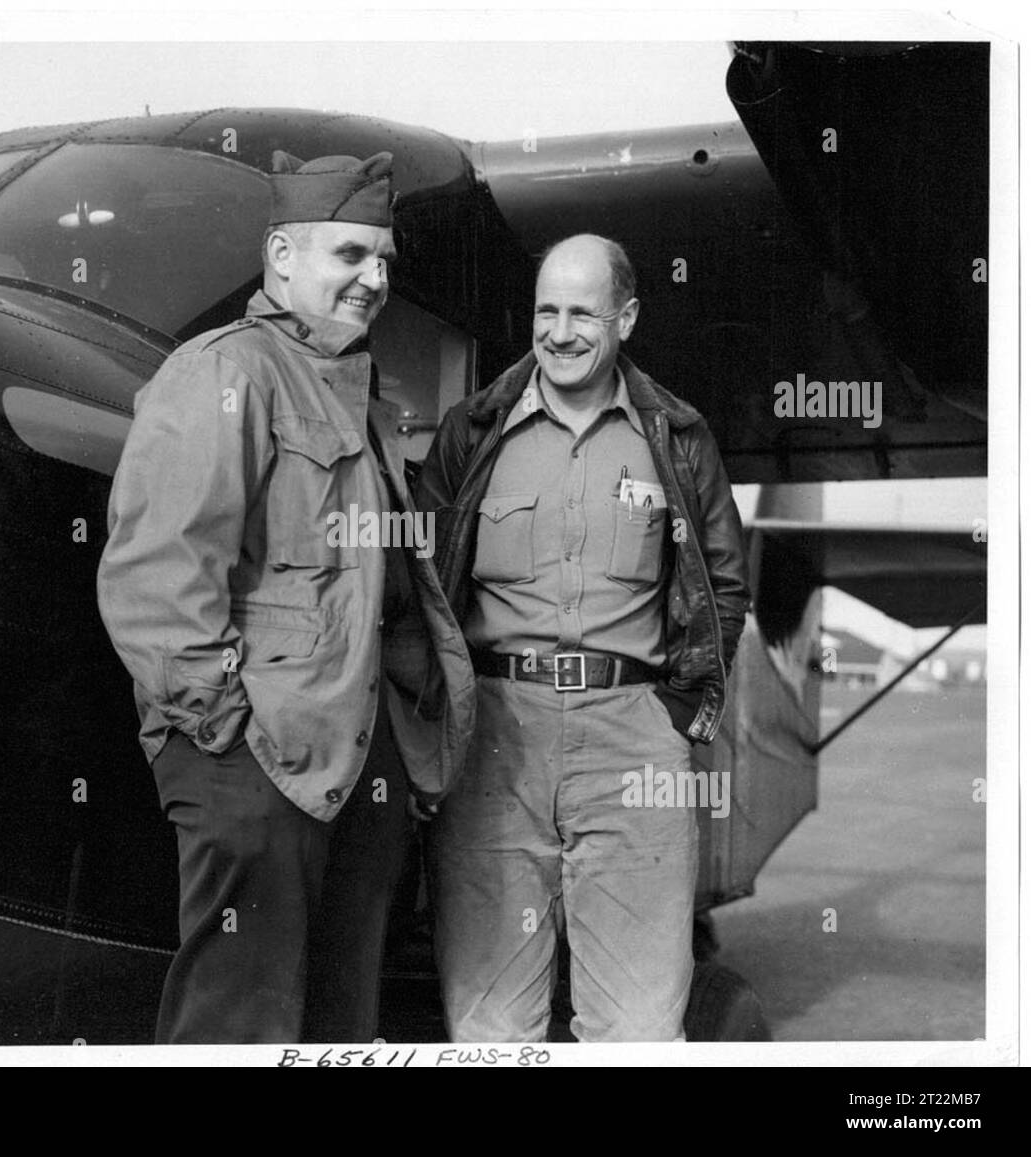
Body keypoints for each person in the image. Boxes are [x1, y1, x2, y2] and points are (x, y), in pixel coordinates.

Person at [97, 150, 475, 1044]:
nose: (375, 279)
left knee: (342, 1024)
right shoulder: (226, 372)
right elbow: (158, 573)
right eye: (349, 255)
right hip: (255, 753)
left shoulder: (361, 398)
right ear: (281, 254)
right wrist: (226, 732)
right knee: (241, 1021)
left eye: (384, 259)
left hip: (352, 755)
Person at [418, 233, 750, 1042]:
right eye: (545, 310)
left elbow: (722, 583)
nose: (559, 332)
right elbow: (419, 581)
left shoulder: (677, 436)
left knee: (636, 1029)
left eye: (582, 313)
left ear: (626, 317)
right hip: (494, 738)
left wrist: (680, 721)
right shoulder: (474, 431)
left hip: (633, 737)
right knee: (490, 1030)